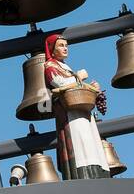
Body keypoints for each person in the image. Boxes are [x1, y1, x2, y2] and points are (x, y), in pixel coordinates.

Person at [43, 33, 110, 180]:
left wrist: (91, 88)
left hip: (82, 111)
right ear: (52, 49)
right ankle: (83, 174)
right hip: (69, 115)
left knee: (90, 141)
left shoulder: (66, 67)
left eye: (66, 45)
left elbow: (73, 85)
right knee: (80, 142)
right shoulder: (50, 66)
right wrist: (78, 76)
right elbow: (59, 83)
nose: (65, 48)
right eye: (61, 45)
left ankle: (98, 172)